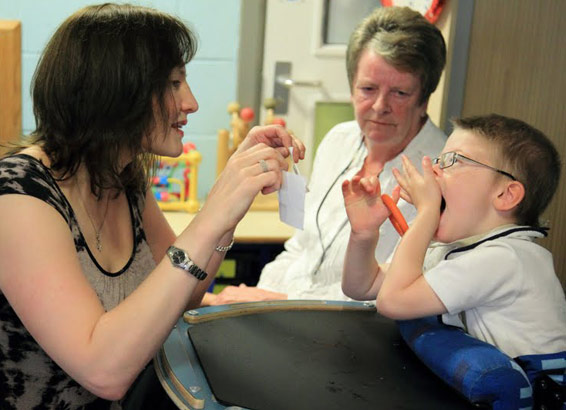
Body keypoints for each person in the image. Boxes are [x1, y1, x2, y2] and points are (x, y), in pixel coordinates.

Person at [0, 4, 305, 409]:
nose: (191, 102)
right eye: (174, 83)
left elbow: (188, 292)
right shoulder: (20, 195)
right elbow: (103, 370)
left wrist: (229, 211)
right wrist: (212, 212)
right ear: (117, 90)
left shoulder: (123, 178)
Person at [205, 6, 447, 305]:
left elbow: (398, 289)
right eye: (368, 89)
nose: (380, 106)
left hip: (355, 326)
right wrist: (256, 298)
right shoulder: (338, 141)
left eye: (400, 93)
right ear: (351, 88)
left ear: (424, 98)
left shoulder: (439, 174)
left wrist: (278, 303)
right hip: (285, 307)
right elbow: (301, 247)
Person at [341, 113, 566, 358]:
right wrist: (363, 235)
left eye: (453, 160)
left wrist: (427, 213)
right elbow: (362, 286)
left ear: (505, 195)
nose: (432, 169)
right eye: (440, 158)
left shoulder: (507, 259)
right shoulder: (463, 249)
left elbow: (392, 302)